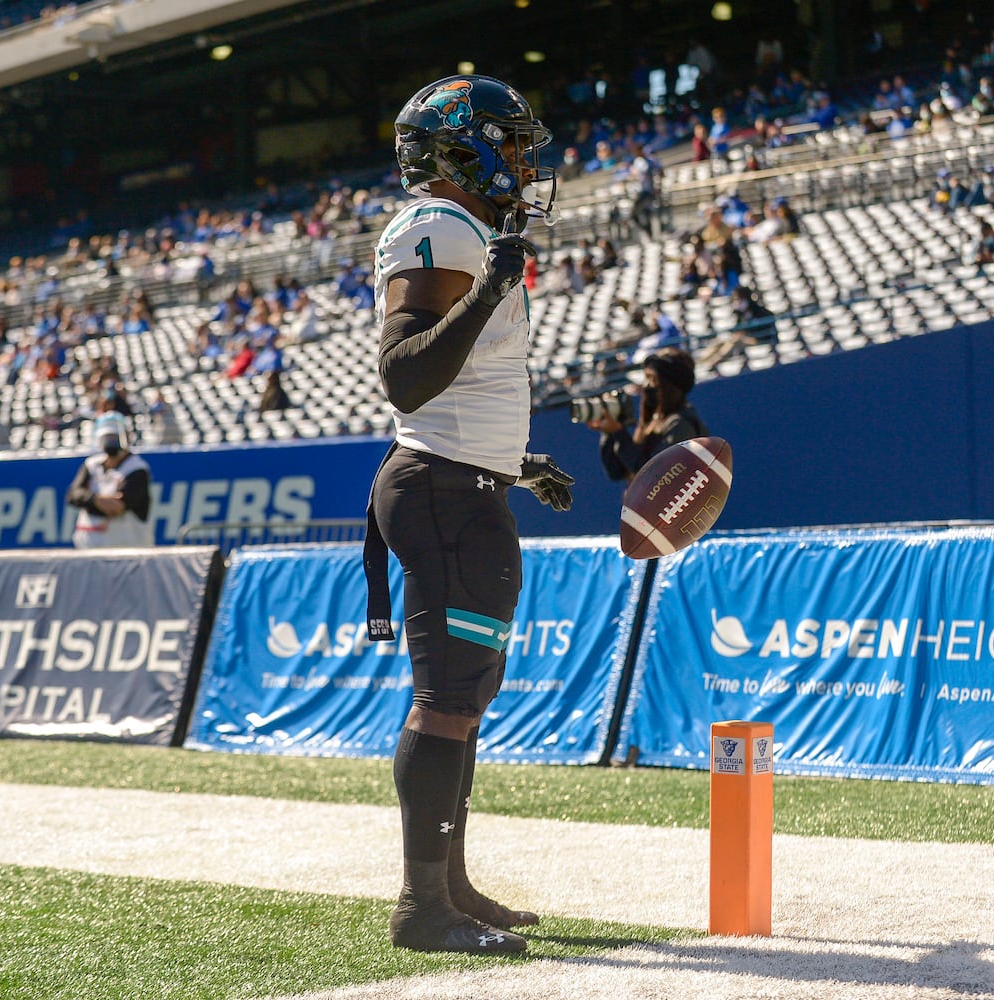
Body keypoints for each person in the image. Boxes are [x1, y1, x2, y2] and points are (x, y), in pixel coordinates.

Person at [361, 74, 574, 957]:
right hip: (443, 490)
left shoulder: (460, 230)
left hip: (462, 480)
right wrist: (489, 290)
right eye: (512, 142)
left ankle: (448, 884)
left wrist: (513, 464)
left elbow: (454, 396)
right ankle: (421, 908)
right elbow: (405, 373)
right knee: (448, 697)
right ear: (465, 147)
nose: (525, 160)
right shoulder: (441, 227)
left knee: (467, 695)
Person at [590, 347, 708, 481]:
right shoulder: (652, 420)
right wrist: (609, 432)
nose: (646, 386)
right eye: (645, 378)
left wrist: (618, 432)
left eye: (651, 379)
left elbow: (654, 477)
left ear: (669, 385)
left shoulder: (680, 424)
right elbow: (616, 471)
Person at [65, 411, 154, 548]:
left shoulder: (137, 469)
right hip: (90, 550)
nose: (110, 442)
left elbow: (116, 508)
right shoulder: (92, 465)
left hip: (129, 552)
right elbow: (73, 495)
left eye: (114, 437)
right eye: (107, 437)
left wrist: (90, 501)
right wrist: (94, 499)